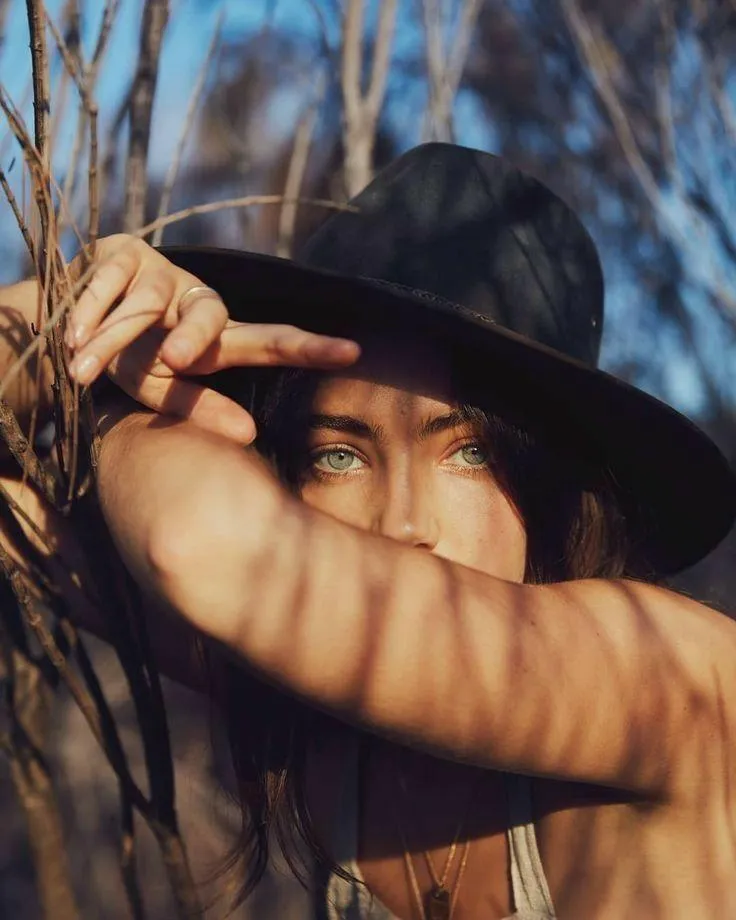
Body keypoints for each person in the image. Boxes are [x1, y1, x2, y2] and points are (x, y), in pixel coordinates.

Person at [2, 143, 736, 920]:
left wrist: (115, 391)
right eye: (340, 456)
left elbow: (196, 543)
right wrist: (61, 318)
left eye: (472, 453)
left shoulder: (675, 680)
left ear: (558, 487)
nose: (403, 525)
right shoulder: (317, 721)